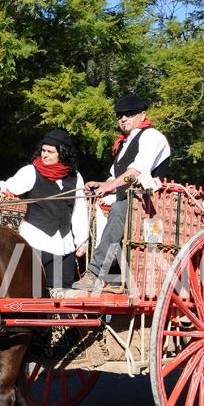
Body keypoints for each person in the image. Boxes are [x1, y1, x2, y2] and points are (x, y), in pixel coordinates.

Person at [72, 94, 171, 292]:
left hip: (152, 209)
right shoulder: (122, 146)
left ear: (142, 115)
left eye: (129, 114)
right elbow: (113, 178)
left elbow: (137, 170)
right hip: (130, 206)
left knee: (118, 208)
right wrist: (101, 186)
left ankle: (95, 272)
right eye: (120, 115)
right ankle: (115, 277)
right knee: (109, 209)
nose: (123, 119)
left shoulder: (152, 136)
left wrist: (109, 186)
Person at [0, 129, 88, 289]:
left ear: (62, 154)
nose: (44, 155)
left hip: (64, 245)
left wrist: (81, 241)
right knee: (35, 293)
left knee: (63, 295)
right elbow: (9, 185)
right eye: (43, 150)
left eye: (50, 152)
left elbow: (79, 210)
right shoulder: (31, 172)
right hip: (36, 243)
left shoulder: (75, 177)